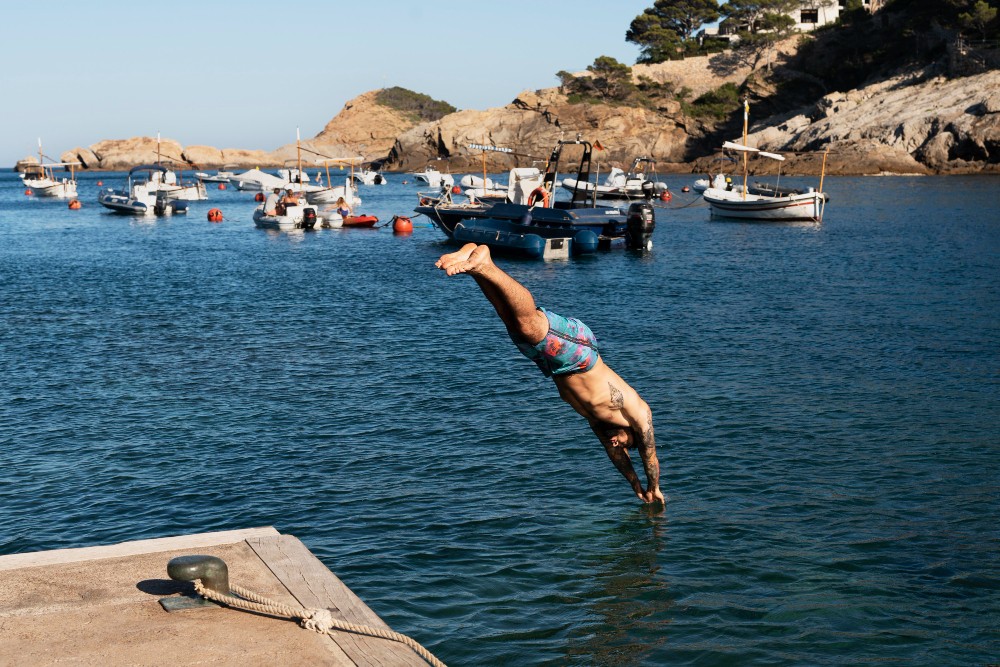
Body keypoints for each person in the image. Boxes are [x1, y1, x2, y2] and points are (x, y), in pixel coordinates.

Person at [435, 243, 664, 505]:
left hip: (554, 366)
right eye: (624, 444)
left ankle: (478, 267)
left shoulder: (600, 423)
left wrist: (636, 487)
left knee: (512, 321)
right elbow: (650, 454)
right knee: (528, 322)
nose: (617, 445)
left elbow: (617, 459)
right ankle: (485, 262)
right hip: (580, 355)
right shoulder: (636, 410)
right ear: (632, 433)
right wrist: (653, 486)